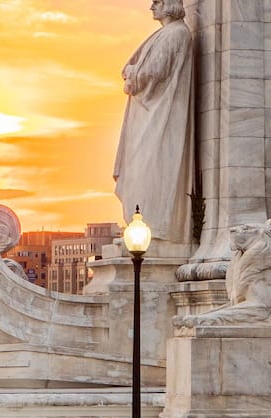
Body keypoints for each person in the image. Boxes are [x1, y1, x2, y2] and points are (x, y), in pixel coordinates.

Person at [113, 0, 195, 245]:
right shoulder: (166, 34)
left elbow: (153, 73)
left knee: (151, 168)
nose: (151, 6)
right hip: (150, 115)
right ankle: (143, 226)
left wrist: (131, 73)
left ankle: (154, 229)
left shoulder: (176, 34)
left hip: (160, 117)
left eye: (157, 1)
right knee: (141, 169)